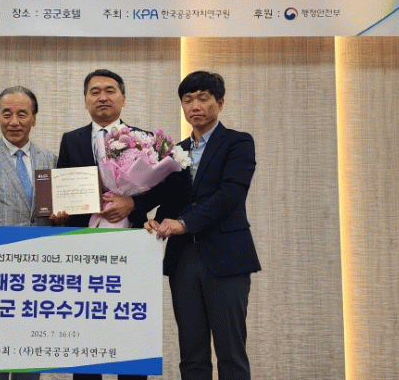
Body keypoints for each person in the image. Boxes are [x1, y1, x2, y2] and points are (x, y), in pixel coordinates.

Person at [139, 71, 261, 380]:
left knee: (231, 354)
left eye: (203, 98)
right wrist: (152, 220)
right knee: (191, 356)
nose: (195, 105)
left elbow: (229, 195)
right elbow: (169, 199)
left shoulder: (238, 142)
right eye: (188, 99)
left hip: (226, 258)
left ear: (220, 103)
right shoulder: (174, 152)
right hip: (183, 261)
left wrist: (183, 224)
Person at [54, 69, 147, 380]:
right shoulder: (71, 140)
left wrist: (133, 203)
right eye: (95, 91)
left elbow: (164, 189)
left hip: (132, 243)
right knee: (87, 330)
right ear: (85, 100)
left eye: (110, 90)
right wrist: (62, 213)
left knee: (131, 329)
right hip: (85, 246)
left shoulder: (143, 139)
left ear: (123, 98)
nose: (102, 97)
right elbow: (64, 187)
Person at [0, 86, 57, 380]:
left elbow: (54, 213)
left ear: (34, 119)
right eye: (7, 114)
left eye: (22, 114)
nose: (14, 121)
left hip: (40, 274)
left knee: (31, 358)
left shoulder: (50, 159)